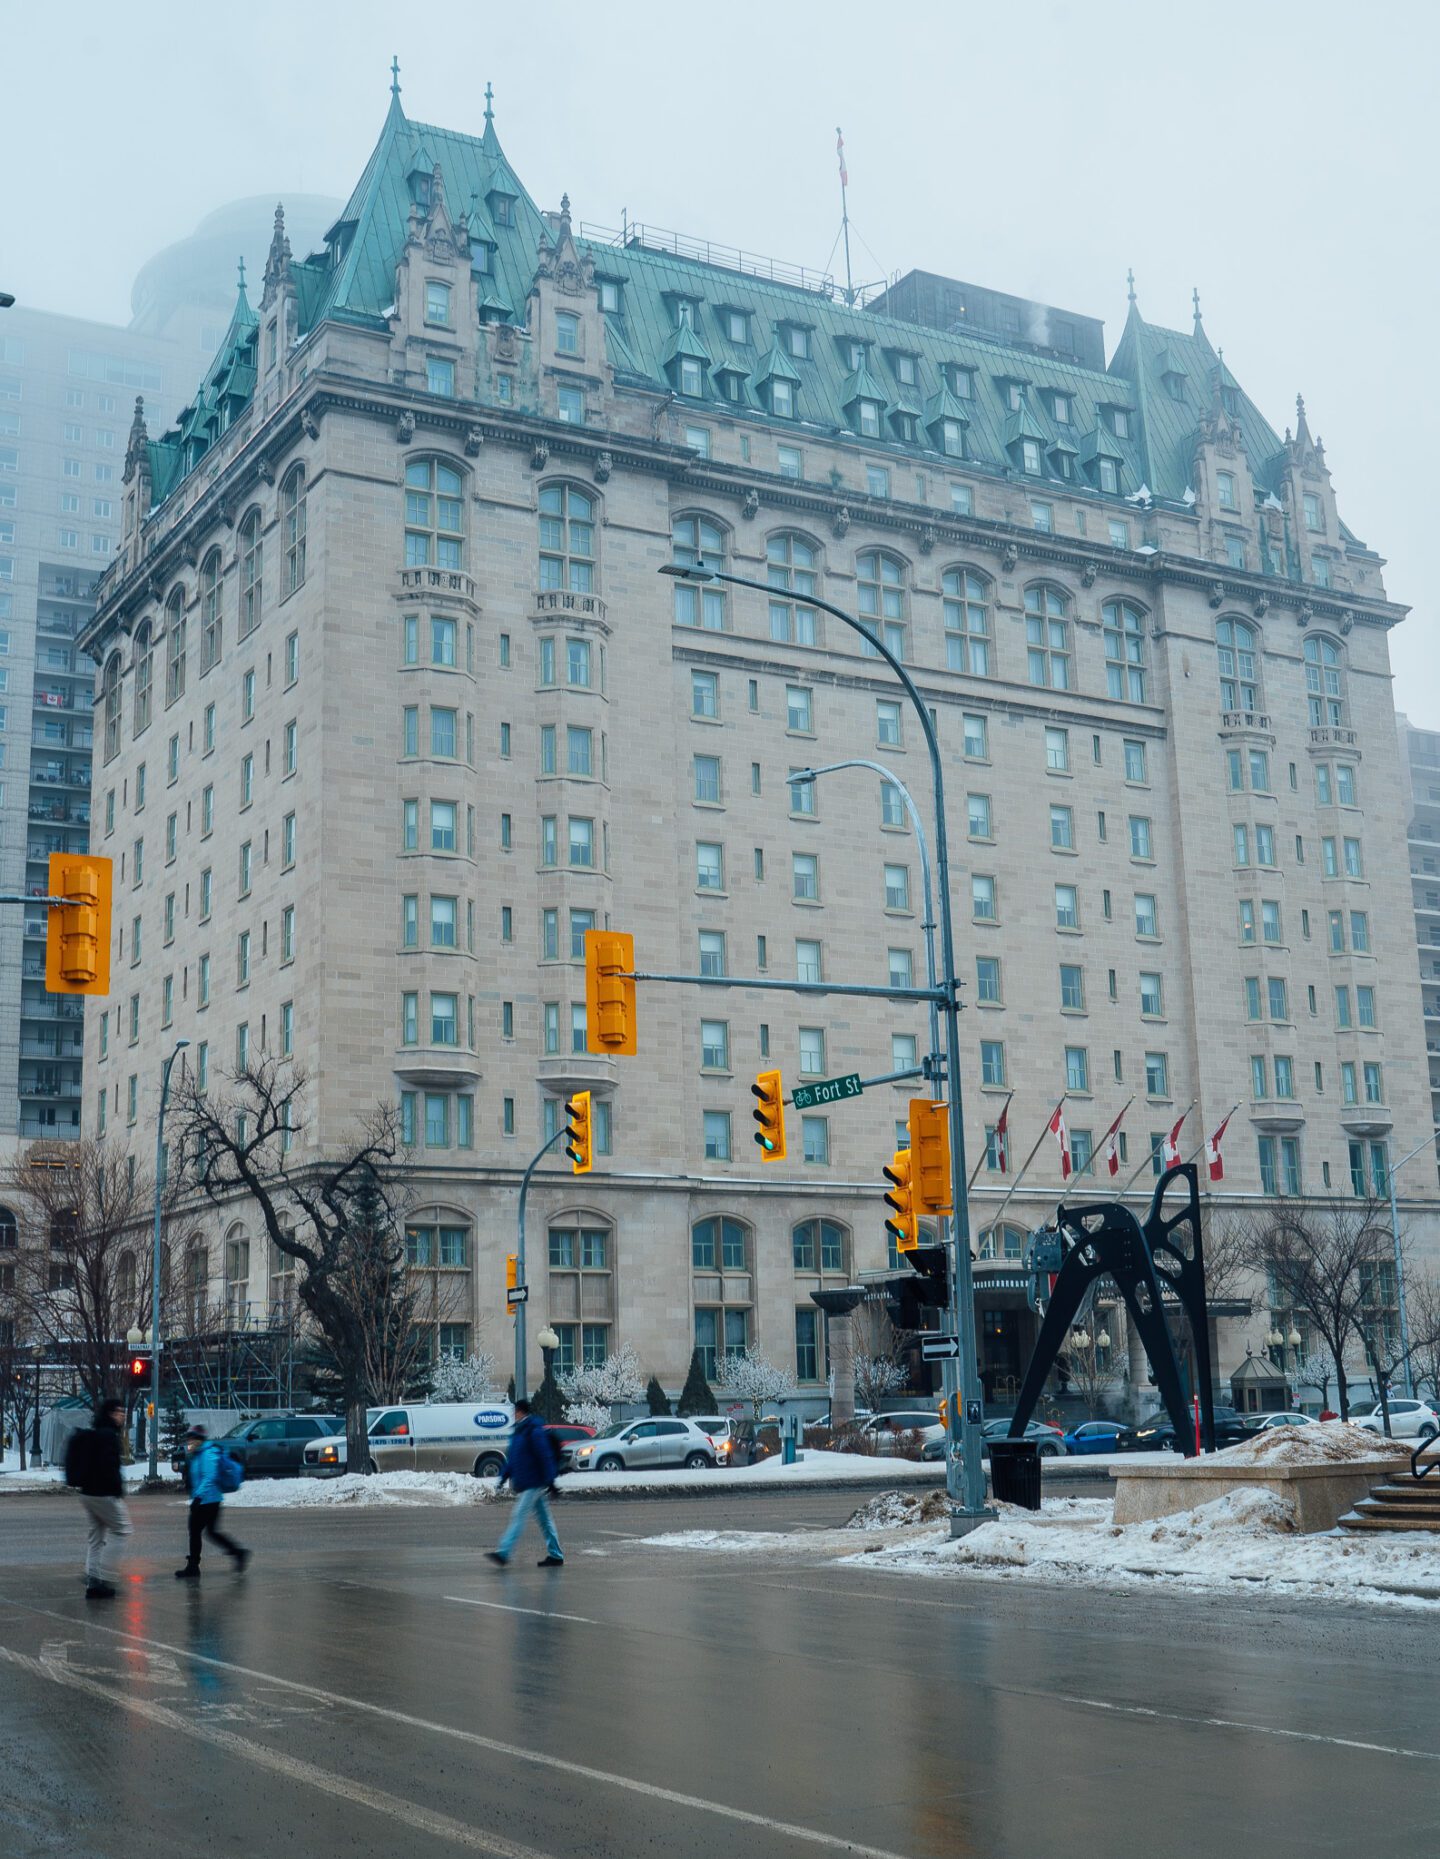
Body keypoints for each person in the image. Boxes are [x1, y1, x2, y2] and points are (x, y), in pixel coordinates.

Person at [66, 1398, 131, 1600]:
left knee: (96, 1537)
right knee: (123, 1529)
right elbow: (109, 1466)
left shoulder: (95, 1433)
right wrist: (117, 1488)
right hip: (103, 1494)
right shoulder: (109, 1435)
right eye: (119, 1412)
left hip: (87, 1493)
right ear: (110, 1414)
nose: (122, 1415)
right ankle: (104, 1576)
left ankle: (93, 1581)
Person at [487, 1399, 564, 1567]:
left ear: (521, 1412)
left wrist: (551, 1481)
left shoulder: (533, 1431)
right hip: (528, 1481)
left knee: (518, 1515)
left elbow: (545, 1456)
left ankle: (503, 1553)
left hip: (534, 1482)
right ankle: (556, 1554)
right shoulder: (519, 1431)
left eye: (515, 1411)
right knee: (545, 1520)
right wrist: (503, 1477)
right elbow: (513, 1458)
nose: (513, 1414)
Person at [175, 1425, 250, 1579]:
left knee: (195, 1531)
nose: (189, 1442)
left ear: (199, 1440)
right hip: (207, 1499)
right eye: (188, 1439)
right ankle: (238, 1553)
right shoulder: (198, 1454)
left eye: (192, 1439)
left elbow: (209, 1477)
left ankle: (193, 1567)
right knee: (211, 1532)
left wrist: (198, 1497)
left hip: (208, 1501)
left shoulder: (208, 1453)